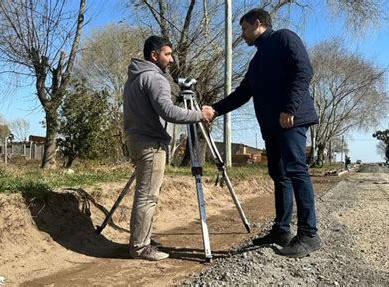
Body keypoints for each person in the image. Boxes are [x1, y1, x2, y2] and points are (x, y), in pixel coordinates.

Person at [211, 8, 321, 258]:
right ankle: (282, 230)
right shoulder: (257, 60)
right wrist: (214, 110)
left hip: (290, 120)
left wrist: (289, 108)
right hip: (272, 126)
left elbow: (304, 70)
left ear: (257, 23)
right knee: (279, 175)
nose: (243, 34)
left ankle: (309, 234)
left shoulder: (284, 38)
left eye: (244, 28)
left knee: (296, 171)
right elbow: (242, 93)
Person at [123, 35, 214, 261]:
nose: (171, 60)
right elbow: (168, 112)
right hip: (151, 143)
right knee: (147, 196)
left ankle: (141, 239)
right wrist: (198, 115)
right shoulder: (155, 79)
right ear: (154, 55)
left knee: (145, 194)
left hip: (136, 139)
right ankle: (140, 247)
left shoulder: (134, 77)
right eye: (167, 54)